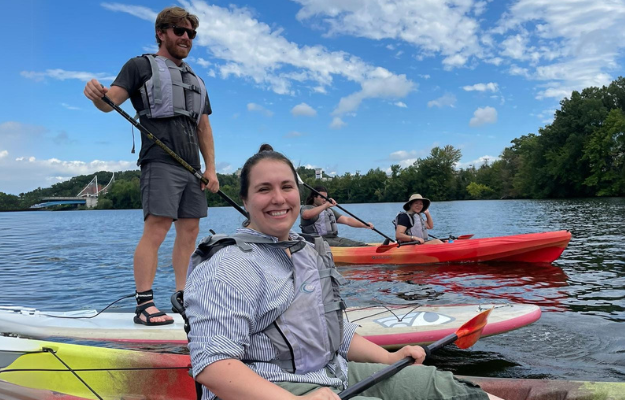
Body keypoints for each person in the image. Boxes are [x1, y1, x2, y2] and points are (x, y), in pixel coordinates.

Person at [182, 144, 500, 400]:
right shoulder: (226, 265)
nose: (278, 198)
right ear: (245, 200)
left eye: (286, 187)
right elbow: (212, 365)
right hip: (269, 386)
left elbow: (336, 332)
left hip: (331, 374)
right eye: (264, 189)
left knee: (444, 388)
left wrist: (388, 358)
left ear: (296, 192)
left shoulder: (309, 253)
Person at [83, 6, 219, 325]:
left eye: (191, 33)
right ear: (161, 33)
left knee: (190, 230)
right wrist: (96, 95)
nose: (186, 37)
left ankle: (183, 296)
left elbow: (204, 127)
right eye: (179, 31)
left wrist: (210, 169)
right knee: (157, 228)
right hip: (159, 161)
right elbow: (109, 102)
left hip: (193, 169)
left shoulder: (197, 81)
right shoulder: (139, 66)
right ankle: (144, 305)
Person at [299, 186, 374, 247]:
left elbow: (347, 220)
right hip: (316, 241)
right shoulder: (306, 208)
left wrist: (364, 225)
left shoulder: (327, 211)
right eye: (322, 197)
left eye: (326, 197)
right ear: (314, 197)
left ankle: (368, 248)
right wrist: (326, 205)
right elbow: (306, 215)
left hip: (333, 238)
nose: (324, 200)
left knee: (358, 244)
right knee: (346, 245)